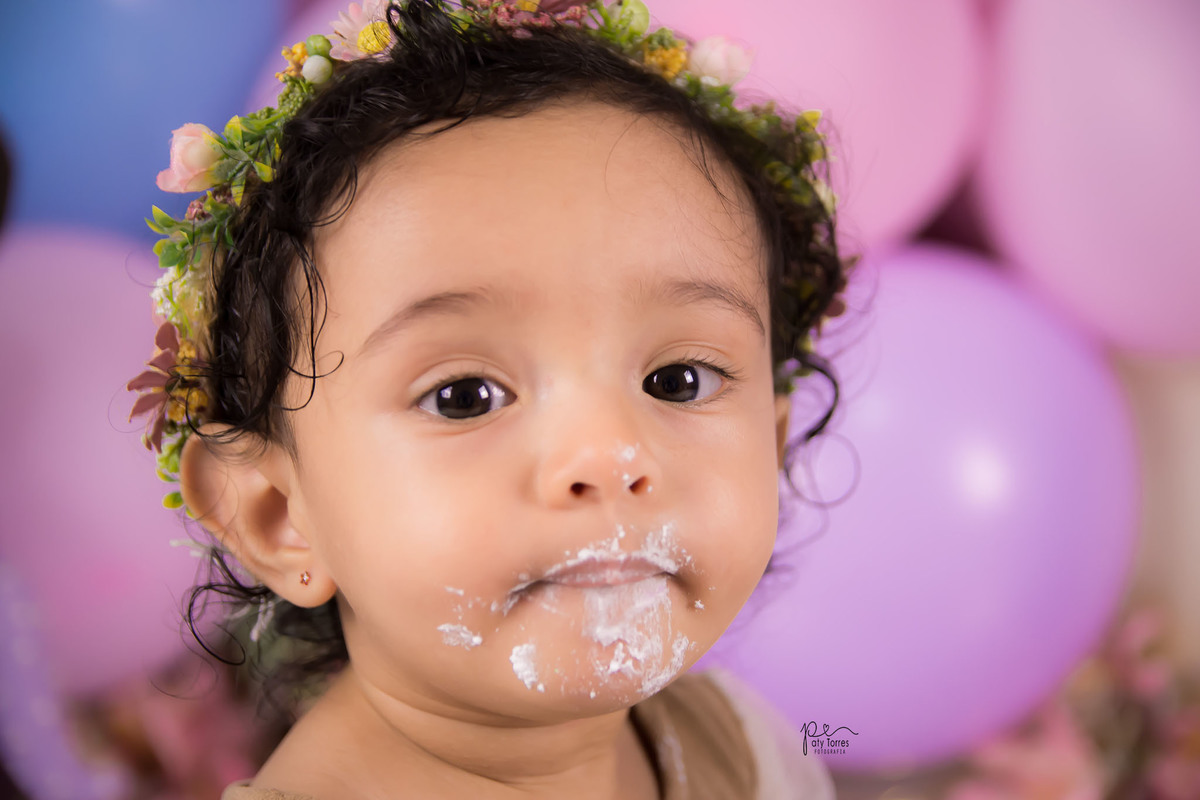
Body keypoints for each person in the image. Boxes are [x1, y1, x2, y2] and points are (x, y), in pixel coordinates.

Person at [127, 1, 852, 797]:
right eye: (465, 396)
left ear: (772, 449)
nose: (609, 456)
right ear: (279, 516)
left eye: (678, 380)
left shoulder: (742, 743)